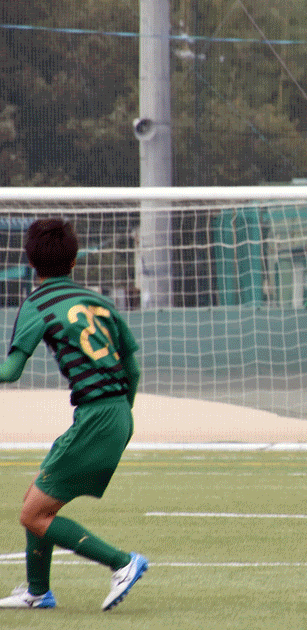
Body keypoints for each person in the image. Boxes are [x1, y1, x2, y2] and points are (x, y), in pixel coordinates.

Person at [0, 219, 148, 612]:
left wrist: (103, 419)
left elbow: (10, 372)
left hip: (96, 418)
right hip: (115, 413)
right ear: (76, 259)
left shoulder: (38, 303)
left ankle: (121, 563)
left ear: (31, 262)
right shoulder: (98, 301)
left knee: (33, 515)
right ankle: (36, 592)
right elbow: (132, 369)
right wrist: (120, 415)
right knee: (37, 499)